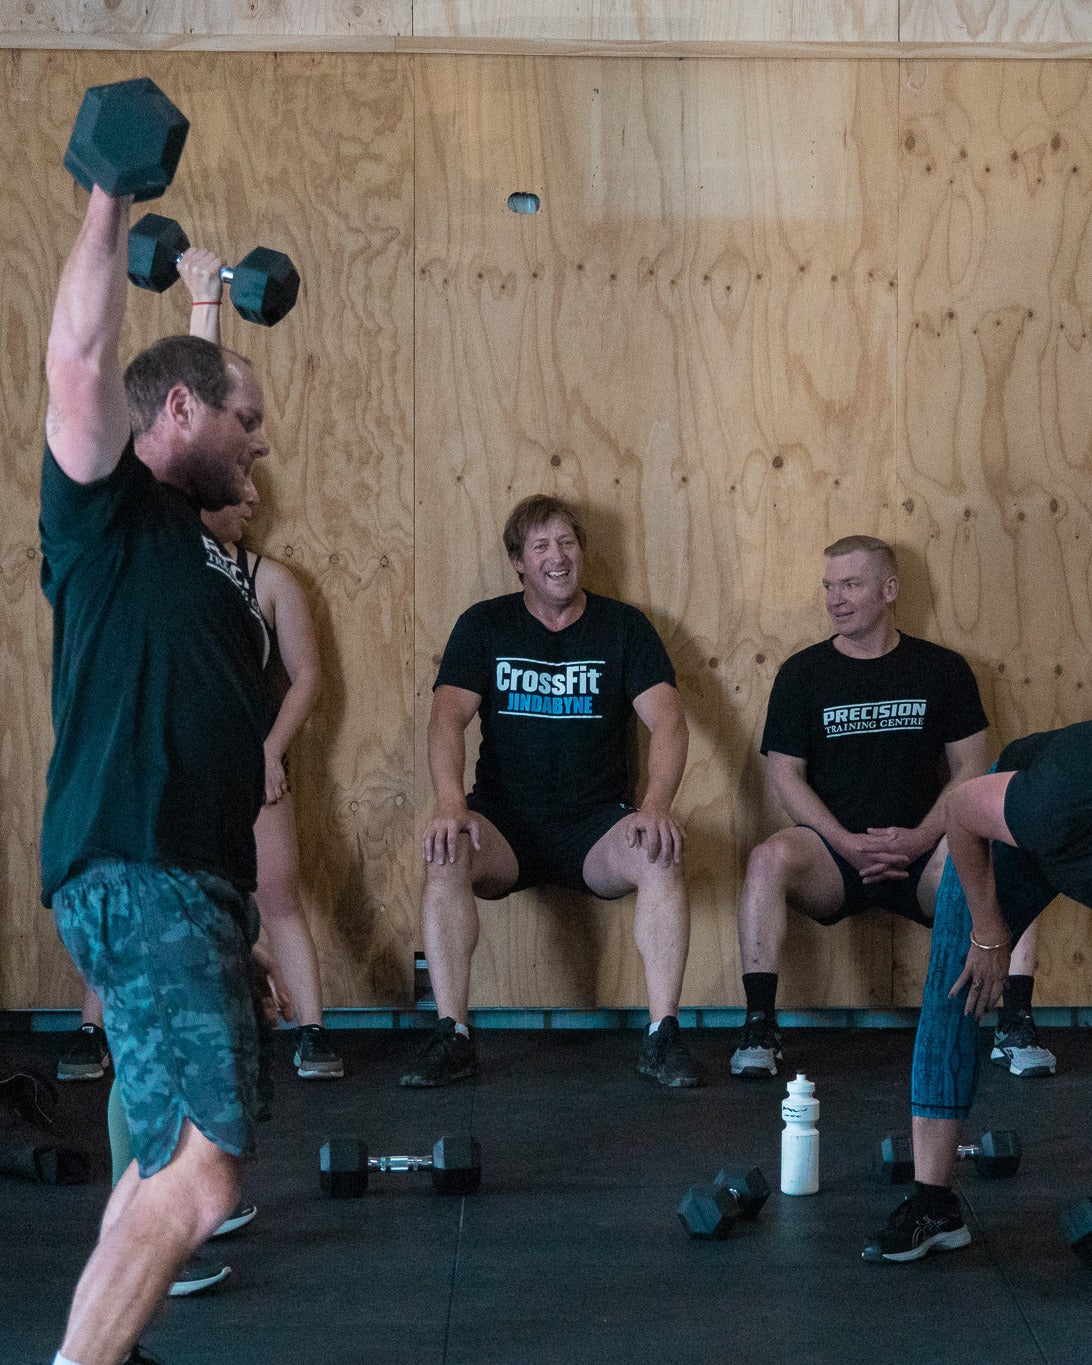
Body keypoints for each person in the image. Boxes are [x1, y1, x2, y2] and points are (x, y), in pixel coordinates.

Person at [42, 180, 281, 1365]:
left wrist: (206, 301)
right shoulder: (112, 514)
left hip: (187, 887)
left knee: (158, 1157)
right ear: (181, 414)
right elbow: (85, 363)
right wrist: (108, 195)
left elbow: (195, 381)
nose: (263, 441)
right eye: (250, 420)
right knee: (201, 1173)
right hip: (140, 875)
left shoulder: (200, 546)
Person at [56, 247, 342, 1086]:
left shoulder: (231, 568)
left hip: (206, 837)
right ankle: (163, 1203)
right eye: (246, 432)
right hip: (144, 850)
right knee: (201, 1163)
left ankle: (156, 1195)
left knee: (174, 1126)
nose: (253, 456)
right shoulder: (151, 524)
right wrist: (200, 298)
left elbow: (195, 402)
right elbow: (177, 410)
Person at [400, 494, 701, 1089]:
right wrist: (450, 804)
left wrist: (656, 806)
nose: (557, 557)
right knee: (445, 853)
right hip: (506, 824)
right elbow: (445, 718)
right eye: (541, 546)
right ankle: (452, 1035)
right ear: (518, 561)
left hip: (597, 825)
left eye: (567, 543)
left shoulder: (623, 626)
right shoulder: (485, 624)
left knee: (660, 854)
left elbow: (668, 720)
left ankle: (662, 1036)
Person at [731, 535, 1051, 1080]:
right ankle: (759, 1027)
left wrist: (924, 836)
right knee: (767, 858)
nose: (835, 598)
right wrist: (845, 842)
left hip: (924, 855)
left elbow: (972, 768)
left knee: (1010, 860)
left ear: (890, 589)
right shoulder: (802, 674)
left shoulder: (942, 669)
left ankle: (1015, 1026)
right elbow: (785, 776)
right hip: (835, 856)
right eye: (829, 587)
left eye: (851, 584)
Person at [863, 723, 1087, 1262]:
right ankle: (933, 1205)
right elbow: (962, 808)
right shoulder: (1059, 799)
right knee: (955, 983)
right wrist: (988, 932)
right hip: (1002, 828)